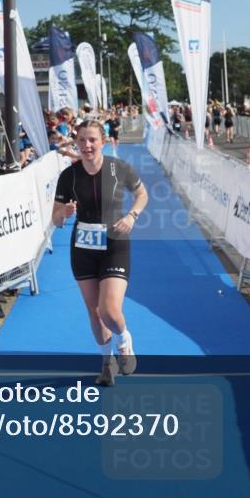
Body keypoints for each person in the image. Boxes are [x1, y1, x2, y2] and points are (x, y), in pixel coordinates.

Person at [52, 121, 148, 386]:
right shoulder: (68, 176)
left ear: (102, 142)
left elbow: (142, 194)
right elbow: (55, 220)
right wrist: (64, 213)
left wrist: (132, 215)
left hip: (115, 243)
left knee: (109, 309)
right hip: (83, 248)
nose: (86, 145)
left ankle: (124, 341)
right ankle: (107, 364)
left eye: (92, 140)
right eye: (81, 140)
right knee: (94, 312)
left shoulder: (119, 168)